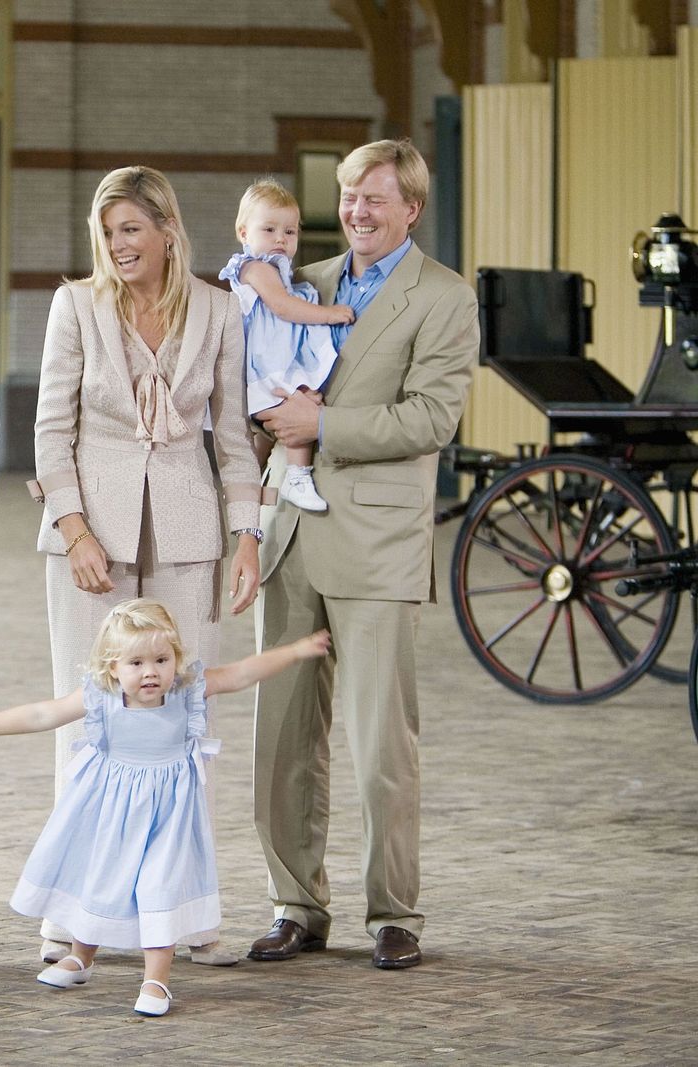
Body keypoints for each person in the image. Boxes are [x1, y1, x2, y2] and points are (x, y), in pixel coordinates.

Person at [248, 139, 479, 970]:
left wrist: (325, 427)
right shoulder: (299, 281)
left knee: (382, 741)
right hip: (292, 534)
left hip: (379, 541)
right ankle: (295, 904)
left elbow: (431, 419)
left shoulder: (445, 298)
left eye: (375, 200)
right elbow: (255, 374)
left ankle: (394, 912)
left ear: (411, 208)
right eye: (348, 198)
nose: (357, 213)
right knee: (280, 740)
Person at [28, 165, 263, 968]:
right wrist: (76, 527)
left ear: (166, 231)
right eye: (107, 231)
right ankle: (71, 916)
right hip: (88, 534)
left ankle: (182, 913)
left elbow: (234, 439)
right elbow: (50, 430)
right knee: (89, 725)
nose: (118, 244)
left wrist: (248, 536)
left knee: (184, 725)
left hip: (190, 533)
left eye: (131, 228)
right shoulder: (75, 306)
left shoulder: (219, 309)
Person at [0, 599, 330, 1017]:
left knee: (158, 889)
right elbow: (41, 713)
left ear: (176, 660)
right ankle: (82, 957)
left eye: (161, 659)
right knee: (103, 883)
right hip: (109, 817)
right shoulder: (101, 698)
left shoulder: (187, 692)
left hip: (170, 820)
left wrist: (296, 651)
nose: (150, 672)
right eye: (136, 663)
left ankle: (156, 979)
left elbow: (241, 674)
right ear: (112, 668)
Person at [218, 178, 354, 513]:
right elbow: (282, 307)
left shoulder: (279, 272)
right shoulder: (256, 268)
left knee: (297, 408)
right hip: (262, 370)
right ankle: (296, 475)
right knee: (297, 411)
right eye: (269, 229)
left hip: (276, 365)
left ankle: (251, 485)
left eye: (290, 232)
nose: (281, 238)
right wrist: (330, 314)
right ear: (243, 233)